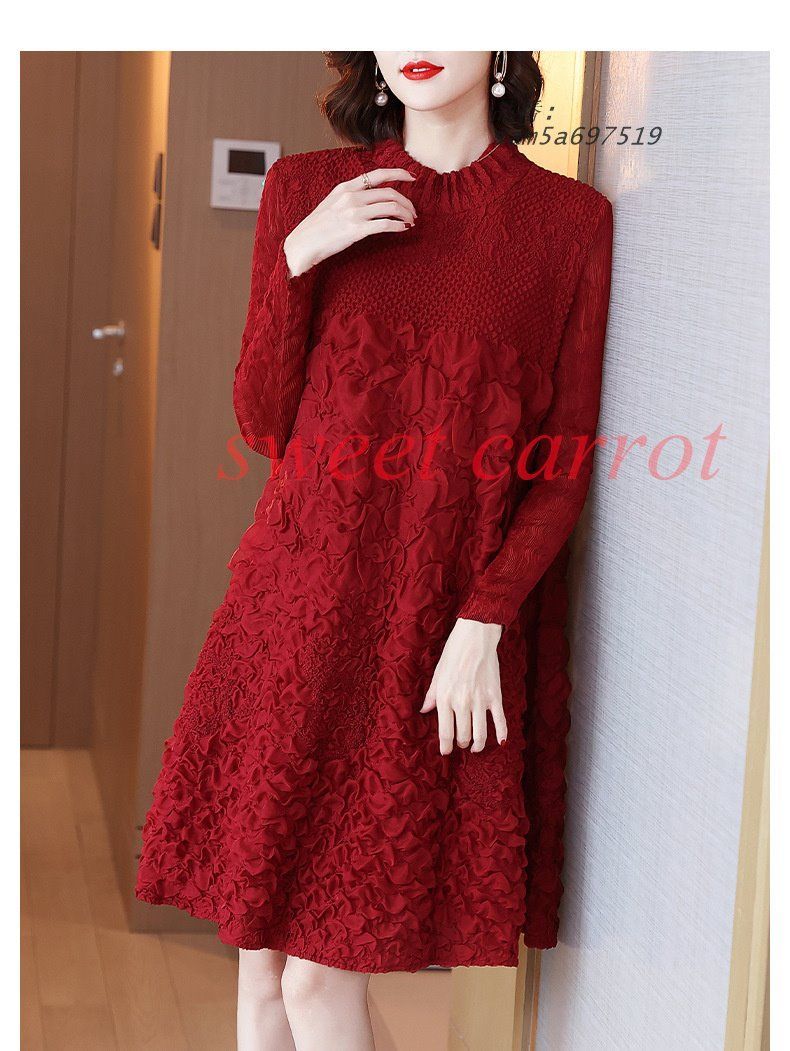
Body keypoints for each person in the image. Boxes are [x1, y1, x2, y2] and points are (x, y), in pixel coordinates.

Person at [136, 50, 613, 1050]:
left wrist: (482, 621)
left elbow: (562, 469)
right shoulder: (306, 190)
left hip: (426, 636)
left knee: (316, 979)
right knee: (263, 977)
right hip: (294, 612)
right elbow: (263, 422)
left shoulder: (568, 224)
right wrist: (296, 259)